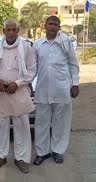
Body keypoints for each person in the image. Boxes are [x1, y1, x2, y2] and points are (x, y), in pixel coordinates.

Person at [0, 19, 36, 173]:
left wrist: (17, 83)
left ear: (18, 31)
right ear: (4, 31)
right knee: (1, 124)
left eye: (13, 30)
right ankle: (1, 156)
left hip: (19, 91)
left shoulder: (27, 48)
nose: (10, 33)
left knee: (21, 125)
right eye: (7, 30)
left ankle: (20, 159)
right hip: (1, 92)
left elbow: (31, 70)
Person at [33, 16, 80, 165]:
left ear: (59, 27)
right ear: (44, 25)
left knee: (61, 122)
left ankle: (58, 151)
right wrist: (27, 83)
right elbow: (33, 68)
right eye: (50, 24)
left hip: (62, 89)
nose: (53, 27)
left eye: (55, 24)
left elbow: (73, 64)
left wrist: (75, 84)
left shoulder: (65, 42)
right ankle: (42, 152)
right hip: (42, 89)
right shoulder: (38, 44)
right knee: (41, 122)